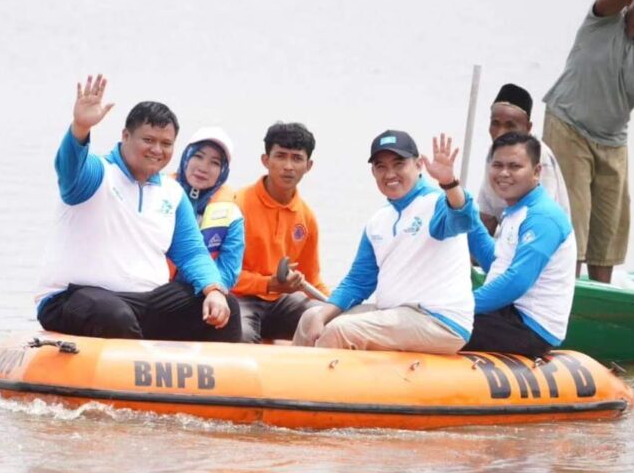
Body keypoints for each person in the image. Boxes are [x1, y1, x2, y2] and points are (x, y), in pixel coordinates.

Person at [35, 74, 241, 342]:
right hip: (74, 297)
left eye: (166, 144)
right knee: (114, 315)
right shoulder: (98, 174)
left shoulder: (172, 193)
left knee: (228, 307)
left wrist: (213, 290)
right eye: (148, 140)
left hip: (145, 302)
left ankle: (223, 382)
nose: (157, 150)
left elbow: (192, 254)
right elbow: (69, 169)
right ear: (126, 136)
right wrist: (80, 128)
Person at [542, 0, 634, 283]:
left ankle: (601, 297)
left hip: (613, 140)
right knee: (573, 220)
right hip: (568, 125)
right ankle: (563, 293)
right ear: (632, 4)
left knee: (609, 227)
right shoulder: (604, 20)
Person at [293, 131, 474, 353]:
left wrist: (449, 182)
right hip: (394, 314)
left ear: (418, 165)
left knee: (340, 330)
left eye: (399, 164)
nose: (390, 174)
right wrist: (321, 315)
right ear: (373, 172)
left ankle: (319, 386)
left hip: (438, 320)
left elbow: (463, 218)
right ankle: (284, 388)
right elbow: (358, 281)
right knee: (309, 318)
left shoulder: (436, 202)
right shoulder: (378, 221)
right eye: (381, 167)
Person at [465, 132, 576, 358]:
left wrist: (460, 305)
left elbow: (516, 282)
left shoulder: (542, 217)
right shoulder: (516, 210)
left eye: (514, 166)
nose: (504, 173)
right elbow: (495, 262)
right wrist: (459, 201)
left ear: (536, 172)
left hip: (531, 328)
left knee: (439, 324)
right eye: (497, 165)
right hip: (510, 314)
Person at [232, 122, 329, 343]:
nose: (288, 166)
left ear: (309, 165)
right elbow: (219, 273)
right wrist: (267, 284)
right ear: (265, 160)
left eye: (296, 158)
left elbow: (312, 280)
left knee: (324, 320)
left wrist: (337, 306)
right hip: (239, 298)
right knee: (241, 333)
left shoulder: (307, 217)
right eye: (280, 156)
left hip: (282, 302)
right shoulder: (237, 204)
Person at [478, 83, 569, 236]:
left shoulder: (539, 154)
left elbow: (544, 222)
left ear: (528, 127)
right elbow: (487, 214)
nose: (501, 132)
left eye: (510, 125)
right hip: (510, 239)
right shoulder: (494, 152)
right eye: (495, 124)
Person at [173, 126, 244, 291]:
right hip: (152, 287)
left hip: (197, 294)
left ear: (223, 171)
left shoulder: (231, 214)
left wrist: (209, 291)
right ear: (186, 157)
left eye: (215, 163)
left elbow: (228, 270)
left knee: (229, 305)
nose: (203, 168)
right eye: (198, 156)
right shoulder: (160, 192)